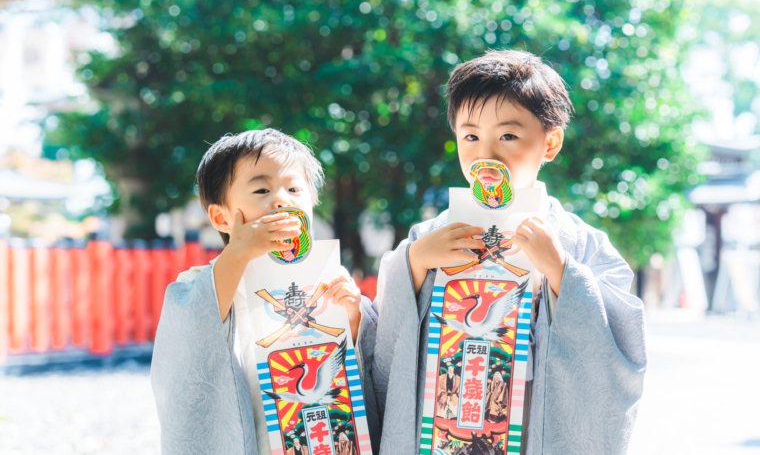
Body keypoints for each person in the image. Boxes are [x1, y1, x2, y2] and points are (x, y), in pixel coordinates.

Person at [356, 50, 647, 454]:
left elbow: (622, 345)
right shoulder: (430, 236)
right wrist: (413, 263)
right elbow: (387, 345)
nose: (486, 154)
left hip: (533, 434)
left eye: (508, 136)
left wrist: (563, 272)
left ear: (551, 143)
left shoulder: (580, 243)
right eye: (470, 136)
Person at [151, 129, 368, 455]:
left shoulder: (327, 276)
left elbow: (353, 361)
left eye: (295, 188)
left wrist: (353, 317)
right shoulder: (208, 281)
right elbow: (193, 329)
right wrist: (239, 252)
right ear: (221, 216)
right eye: (262, 189)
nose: (282, 199)